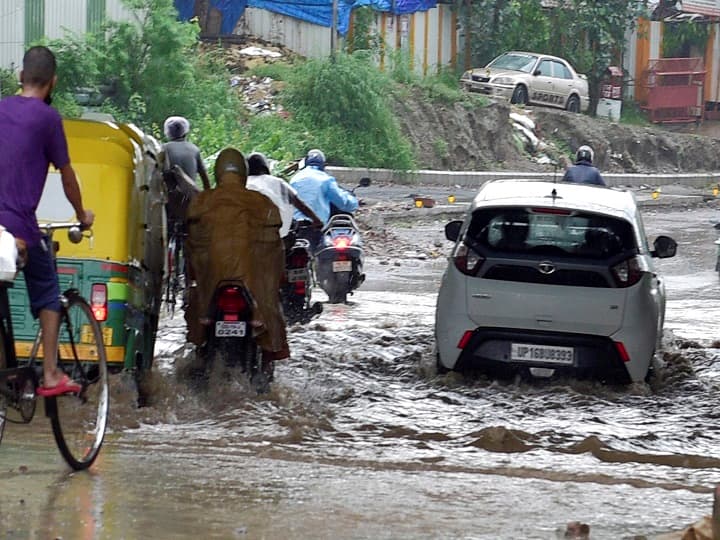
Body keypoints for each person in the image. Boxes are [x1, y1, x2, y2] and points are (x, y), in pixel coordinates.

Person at [0, 46, 94, 396]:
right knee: (48, 288)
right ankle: (52, 373)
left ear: (20, 77)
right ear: (52, 82)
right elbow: (67, 177)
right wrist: (83, 215)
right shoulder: (47, 118)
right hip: (18, 226)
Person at [184, 147, 289, 368]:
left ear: (217, 171)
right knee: (269, 302)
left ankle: (202, 334)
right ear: (243, 172)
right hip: (252, 292)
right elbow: (273, 249)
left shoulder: (202, 202)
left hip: (213, 288)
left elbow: (193, 246)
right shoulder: (262, 203)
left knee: (197, 303)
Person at [289, 149, 359, 251]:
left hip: (296, 226)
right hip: (316, 225)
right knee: (322, 251)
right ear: (323, 165)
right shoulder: (325, 180)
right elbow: (343, 203)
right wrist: (354, 202)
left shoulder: (295, 179)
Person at [246, 152, 322, 239]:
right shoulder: (277, 182)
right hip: (276, 236)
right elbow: (299, 203)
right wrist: (316, 220)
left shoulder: (242, 184)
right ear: (266, 167)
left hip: (246, 237)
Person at [162, 116, 211, 191]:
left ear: (167, 132)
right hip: (192, 197)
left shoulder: (163, 149)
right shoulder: (194, 149)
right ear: (186, 132)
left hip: (169, 199)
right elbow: (205, 180)